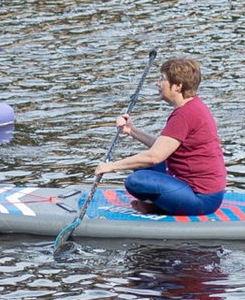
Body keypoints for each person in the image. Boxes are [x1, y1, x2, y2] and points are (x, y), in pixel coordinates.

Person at [94, 56, 227, 217]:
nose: (158, 83)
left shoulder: (184, 115)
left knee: (135, 181)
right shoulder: (192, 107)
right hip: (198, 190)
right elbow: (164, 146)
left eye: (163, 79)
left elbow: (155, 156)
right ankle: (155, 205)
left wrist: (111, 166)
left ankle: (155, 207)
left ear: (178, 86)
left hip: (202, 198)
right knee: (142, 167)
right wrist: (132, 130)